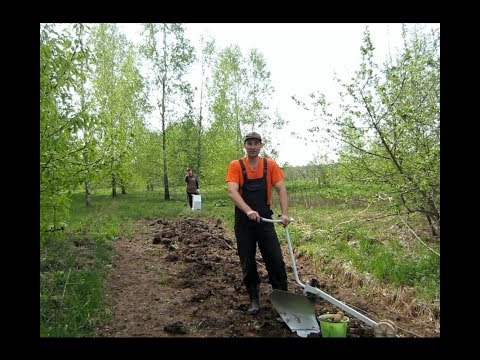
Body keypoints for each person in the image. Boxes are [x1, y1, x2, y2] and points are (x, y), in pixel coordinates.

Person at [225, 132, 290, 315]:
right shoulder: (235, 165)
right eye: (249, 143)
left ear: (261, 145)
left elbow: (281, 189)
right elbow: (232, 192)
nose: (252, 146)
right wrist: (248, 210)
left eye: (256, 143)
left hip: (265, 219)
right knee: (248, 260)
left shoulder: (270, 165)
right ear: (245, 146)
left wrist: (285, 214)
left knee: (275, 258)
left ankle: (282, 299)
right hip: (244, 221)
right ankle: (253, 298)